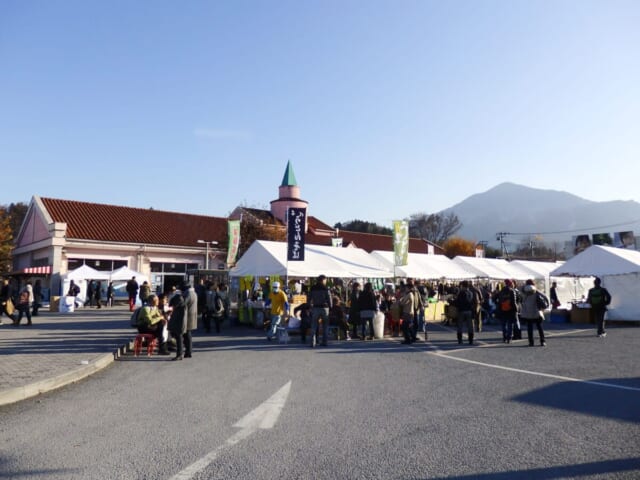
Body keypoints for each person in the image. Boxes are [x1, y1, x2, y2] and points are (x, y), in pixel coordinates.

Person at [520, 279, 547, 347]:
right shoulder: (536, 291)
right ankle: (542, 341)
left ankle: (531, 342)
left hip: (528, 313)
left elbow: (520, 298)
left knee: (529, 328)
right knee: (539, 327)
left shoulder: (523, 292)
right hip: (536, 312)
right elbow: (545, 297)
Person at [308, 275, 332, 347]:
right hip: (325, 308)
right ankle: (325, 342)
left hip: (315, 308)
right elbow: (329, 298)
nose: (326, 281)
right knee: (325, 325)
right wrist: (331, 308)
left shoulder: (313, 288)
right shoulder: (326, 288)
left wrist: (309, 306)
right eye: (325, 280)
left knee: (314, 325)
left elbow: (309, 298)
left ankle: (313, 342)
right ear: (322, 280)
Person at [453, 281, 475, 345]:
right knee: (470, 326)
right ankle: (470, 340)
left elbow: (457, 302)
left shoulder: (461, 293)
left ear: (463, 286)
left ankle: (460, 340)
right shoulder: (471, 293)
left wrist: (452, 301)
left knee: (460, 326)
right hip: (469, 311)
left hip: (462, 311)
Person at [180, 282, 198, 358]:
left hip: (188, 315)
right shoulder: (193, 293)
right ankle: (188, 351)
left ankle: (188, 351)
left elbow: (183, 303)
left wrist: (180, 298)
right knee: (188, 334)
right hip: (192, 314)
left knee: (187, 334)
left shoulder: (188, 293)